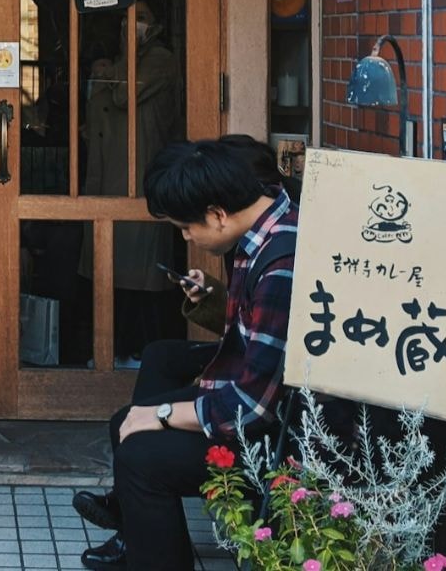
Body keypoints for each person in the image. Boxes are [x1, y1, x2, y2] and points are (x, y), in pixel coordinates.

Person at [76, 138, 299, 571]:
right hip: (260, 399)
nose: (186, 237)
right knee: (138, 405)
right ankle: (138, 535)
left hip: (277, 434)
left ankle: (139, 534)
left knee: (139, 453)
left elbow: (252, 408)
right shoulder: (263, 227)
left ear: (217, 214)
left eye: (186, 226)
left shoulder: (280, 264)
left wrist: (162, 413)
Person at [81, 0, 185, 365]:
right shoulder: (125, 61)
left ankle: (141, 352)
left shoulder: (159, 60)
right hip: (110, 177)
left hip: (141, 179)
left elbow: (124, 94)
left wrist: (125, 54)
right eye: (127, 21)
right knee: (112, 272)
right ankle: (114, 351)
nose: (133, 26)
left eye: (141, 18)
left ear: (153, 26)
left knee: (142, 276)